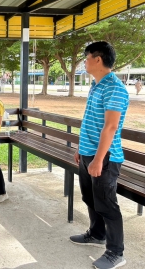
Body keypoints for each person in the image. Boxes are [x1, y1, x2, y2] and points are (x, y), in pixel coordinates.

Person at [70, 41, 129, 269]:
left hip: (104, 158)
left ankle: (116, 252)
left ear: (97, 59)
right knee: (90, 198)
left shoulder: (115, 88)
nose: (84, 62)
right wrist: (81, 149)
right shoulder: (96, 85)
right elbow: (90, 123)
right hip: (88, 154)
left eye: (86, 58)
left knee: (107, 204)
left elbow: (110, 127)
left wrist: (97, 159)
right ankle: (96, 234)